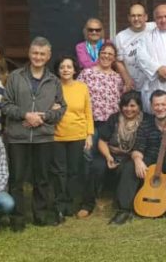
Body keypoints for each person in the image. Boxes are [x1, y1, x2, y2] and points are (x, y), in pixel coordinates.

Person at [2, 37, 66, 231]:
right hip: (18, 137)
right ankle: (18, 220)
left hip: (43, 137)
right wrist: (25, 115)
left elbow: (62, 107)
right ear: (29, 54)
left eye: (42, 54)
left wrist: (45, 116)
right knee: (17, 180)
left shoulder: (54, 81)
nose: (38, 57)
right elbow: (6, 104)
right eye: (35, 53)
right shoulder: (15, 76)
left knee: (42, 179)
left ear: (48, 56)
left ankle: (40, 216)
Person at [112, 90, 166, 224]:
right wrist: (138, 160)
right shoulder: (146, 123)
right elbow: (138, 148)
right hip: (150, 161)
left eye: (163, 104)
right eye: (156, 105)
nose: (160, 108)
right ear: (151, 106)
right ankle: (124, 210)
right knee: (129, 166)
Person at [76, 91, 147, 218]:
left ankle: (124, 206)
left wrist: (126, 153)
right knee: (97, 166)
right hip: (111, 155)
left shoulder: (146, 121)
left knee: (128, 169)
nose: (128, 109)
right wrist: (108, 156)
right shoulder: (115, 118)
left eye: (132, 106)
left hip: (133, 158)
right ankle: (87, 205)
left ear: (139, 106)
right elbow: (102, 141)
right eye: (125, 106)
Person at [52, 56, 94, 220]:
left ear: (75, 70)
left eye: (69, 67)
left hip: (78, 134)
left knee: (74, 172)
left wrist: (89, 135)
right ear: (57, 70)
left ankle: (71, 203)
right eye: (62, 67)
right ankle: (61, 204)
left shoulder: (82, 87)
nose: (66, 70)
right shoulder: (52, 87)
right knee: (59, 172)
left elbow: (88, 112)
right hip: (57, 136)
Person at [77, 42, 124, 162]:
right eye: (103, 53)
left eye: (110, 54)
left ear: (114, 58)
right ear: (98, 55)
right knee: (87, 153)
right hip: (91, 122)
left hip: (110, 125)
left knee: (107, 156)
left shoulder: (118, 78)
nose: (106, 56)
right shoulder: (87, 73)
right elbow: (76, 93)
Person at [114, 3, 156, 92]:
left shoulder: (155, 27)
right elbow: (118, 61)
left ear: (146, 17)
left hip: (153, 84)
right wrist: (127, 79)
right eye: (133, 16)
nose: (136, 19)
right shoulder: (120, 37)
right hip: (133, 85)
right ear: (129, 18)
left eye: (139, 15)